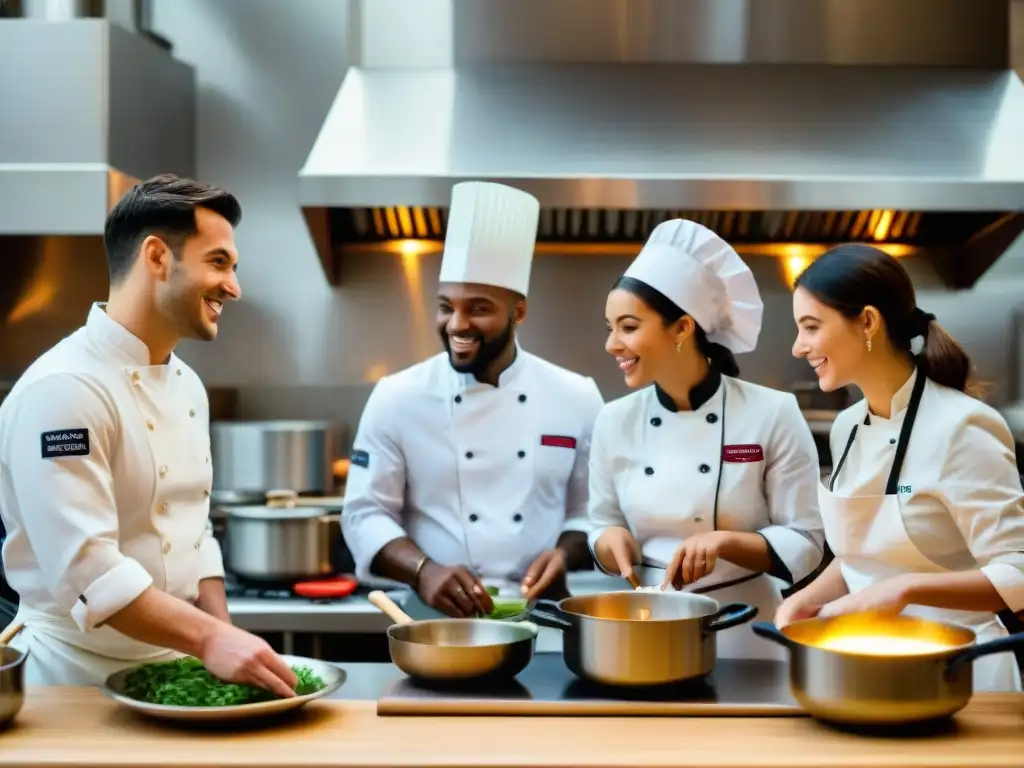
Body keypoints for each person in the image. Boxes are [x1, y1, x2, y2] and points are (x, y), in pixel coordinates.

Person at [0, 174, 297, 695]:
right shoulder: (65, 391)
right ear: (157, 257)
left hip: (170, 672)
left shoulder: (188, 385)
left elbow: (193, 533)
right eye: (219, 262)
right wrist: (209, 641)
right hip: (69, 682)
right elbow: (88, 571)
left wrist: (223, 637)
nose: (234, 286)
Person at [342, 181, 605, 617]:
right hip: (435, 619)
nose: (456, 325)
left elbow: (592, 512)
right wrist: (423, 570)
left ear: (517, 312)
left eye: (478, 308)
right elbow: (364, 513)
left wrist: (564, 555)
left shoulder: (576, 396)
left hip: (546, 614)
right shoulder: (397, 397)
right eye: (446, 306)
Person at [781, 243, 1024, 691]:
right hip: (873, 667)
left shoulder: (963, 427)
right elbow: (866, 557)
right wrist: (807, 599)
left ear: (868, 322)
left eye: (811, 327)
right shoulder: (848, 426)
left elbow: (1018, 573)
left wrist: (905, 590)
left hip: (964, 675)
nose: (799, 347)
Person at [589, 219, 826, 660]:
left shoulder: (771, 412)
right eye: (610, 327)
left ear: (682, 328)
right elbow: (601, 520)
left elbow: (808, 541)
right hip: (646, 624)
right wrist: (608, 540)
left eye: (627, 326)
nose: (612, 344)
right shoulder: (613, 420)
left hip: (744, 631)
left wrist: (724, 542)